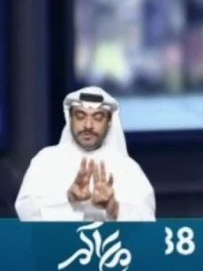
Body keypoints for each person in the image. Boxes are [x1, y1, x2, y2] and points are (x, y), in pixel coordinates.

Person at [16, 86, 156, 221]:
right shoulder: (45, 161)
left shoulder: (129, 168)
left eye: (97, 117)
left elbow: (148, 223)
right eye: (80, 116)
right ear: (70, 118)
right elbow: (25, 210)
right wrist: (68, 199)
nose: (88, 125)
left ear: (109, 122)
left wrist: (113, 208)